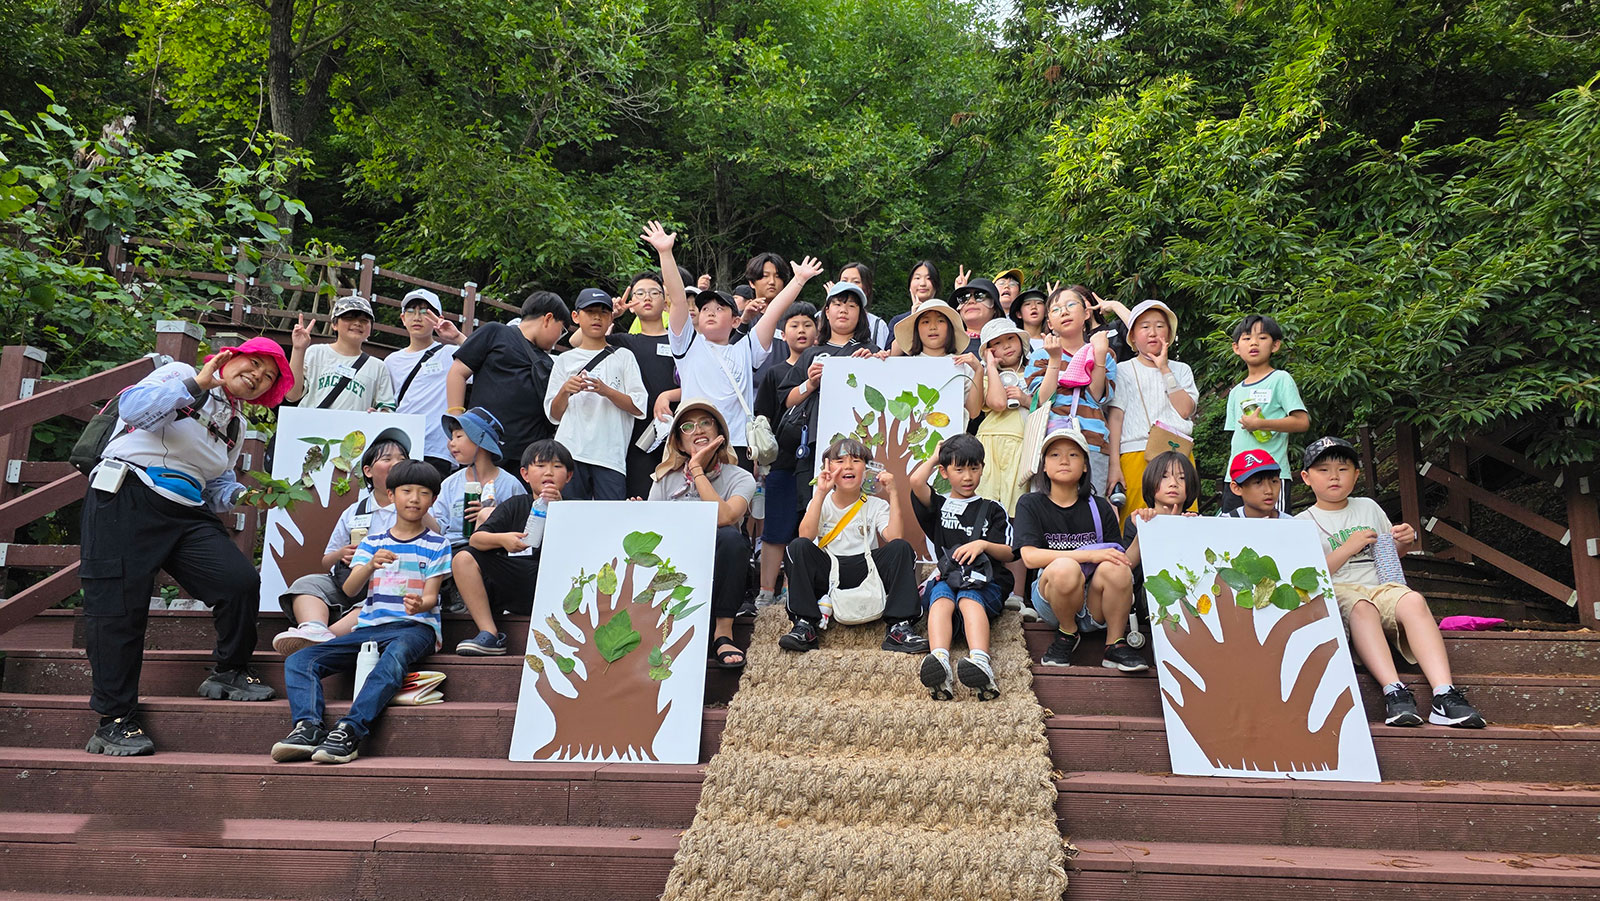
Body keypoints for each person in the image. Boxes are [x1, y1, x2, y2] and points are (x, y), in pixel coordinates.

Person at [81, 337, 293, 756]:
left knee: (238, 582)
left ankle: (229, 671)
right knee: (119, 609)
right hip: (127, 493)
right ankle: (114, 720)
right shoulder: (178, 374)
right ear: (230, 358)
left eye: (268, 378)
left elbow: (215, 482)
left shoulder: (237, 423)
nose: (257, 377)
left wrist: (241, 497)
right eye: (255, 364)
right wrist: (199, 382)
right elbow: (134, 411)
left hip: (187, 510)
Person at [271, 459, 452, 764]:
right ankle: (308, 727)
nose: (414, 499)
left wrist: (419, 604)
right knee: (302, 659)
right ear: (391, 495)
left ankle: (350, 730)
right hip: (369, 627)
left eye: (423, 493)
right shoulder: (373, 542)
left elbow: (432, 597)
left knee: (394, 659)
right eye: (406, 491)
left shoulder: (438, 544)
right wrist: (369, 564)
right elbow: (351, 590)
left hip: (415, 627)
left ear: (433, 501)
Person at [1296, 437, 1485, 728]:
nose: (1334, 476)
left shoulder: (1368, 507)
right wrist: (1347, 547)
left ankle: (1444, 694)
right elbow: (1309, 578)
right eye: (1323, 470)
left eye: (1343, 469)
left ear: (1357, 474)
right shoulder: (1302, 522)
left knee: (1413, 600)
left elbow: (1387, 558)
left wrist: (1404, 543)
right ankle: (1394, 692)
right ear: (1306, 478)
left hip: (1381, 586)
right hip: (1341, 591)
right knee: (1361, 607)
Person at [649, 220, 818, 467]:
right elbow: (676, 298)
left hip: (737, 444)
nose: (710, 312)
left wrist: (799, 280)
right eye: (705, 307)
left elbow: (773, 313)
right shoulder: (687, 345)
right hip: (694, 444)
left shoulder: (746, 349)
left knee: (737, 506)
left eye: (719, 308)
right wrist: (665, 253)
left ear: (736, 320)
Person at [271, 428, 419, 655]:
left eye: (402, 460)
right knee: (307, 584)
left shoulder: (417, 504)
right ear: (368, 471)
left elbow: (435, 533)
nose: (396, 464)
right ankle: (314, 627)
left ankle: (323, 640)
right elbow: (326, 561)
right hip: (350, 581)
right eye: (387, 459)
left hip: (392, 587)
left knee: (380, 601)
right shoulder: (354, 511)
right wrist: (341, 554)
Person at [779, 438, 927, 655]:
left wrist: (894, 493)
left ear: (866, 469)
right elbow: (806, 535)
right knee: (798, 547)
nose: (847, 466)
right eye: (839, 461)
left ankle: (899, 627)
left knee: (901, 548)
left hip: (866, 570)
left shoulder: (876, 504)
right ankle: (804, 625)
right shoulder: (821, 501)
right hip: (829, 570)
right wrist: (820, 492)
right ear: (828, 468)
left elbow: (894, 536)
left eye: (856, 460)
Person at [1015, 427, 1142, 672]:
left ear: (1085, 465)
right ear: (1043, 467)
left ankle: (1114, 644)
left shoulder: (1101, 507)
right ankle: (1067, 633)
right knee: (1065, 567)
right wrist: (1088, 554)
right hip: (1052, 599)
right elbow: (1030, 557)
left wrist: (1141, 533)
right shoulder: (1031, 503)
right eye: (1054, 455)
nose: (1064, 460)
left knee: (1115, 567)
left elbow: (1123, 563)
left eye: (1073, 455)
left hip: (1094, 601)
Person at [648, 400, 757, 669]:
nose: (698, 429)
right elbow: (653, 533)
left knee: (732, 539)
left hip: (720, 566)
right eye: (687, 426)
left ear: (720, 434)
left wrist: (697, 470)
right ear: (679, 443)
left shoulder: (741, 477)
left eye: (705, 422)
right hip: (676, 562)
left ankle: (723, 632)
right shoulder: (663, 480)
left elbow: (725, 518)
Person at [908, 435, 1014, 701]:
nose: (968, 476)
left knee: (968, 599)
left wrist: (983, 544)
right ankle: (939, 661)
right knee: (940, 598)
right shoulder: (939, 506)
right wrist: (935, 457)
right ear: (944, 472)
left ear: (982, 467)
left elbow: (1011, 552)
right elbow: (916, 482)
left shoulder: (993, 509)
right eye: (959, 469)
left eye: (974, 468)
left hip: (985, 583)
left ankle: (980, 661)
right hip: (948, 579)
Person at [453, 440, 574, 655]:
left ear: (569, 476)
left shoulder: (575, 509)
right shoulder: (516, 504)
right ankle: (489, 634)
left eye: (557, 466)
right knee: (463, 558)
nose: (548, 472)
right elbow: (476, 539)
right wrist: (503, 539)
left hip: (560, 586)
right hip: (517, 580)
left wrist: (560, 507)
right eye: (541, 465)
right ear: (525, 474)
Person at [447, 290, 569, 472]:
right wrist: (458, 422)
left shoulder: (548, 363)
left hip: (526, 457)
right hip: (483, 446)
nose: (558, 339)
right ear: (548, 319)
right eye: (561, 330)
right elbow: (457, 372)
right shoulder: (495, 332)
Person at [544, 288, 646, 500]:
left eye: (603, 312)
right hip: (569, 452)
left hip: (610, 456)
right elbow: (553, 415)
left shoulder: (624, 356)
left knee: (610, 522)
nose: (597, 317)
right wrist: (565, 390)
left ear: (611, 317)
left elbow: (639, 406)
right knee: (569, 515)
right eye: (590, 311)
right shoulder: (565, 360)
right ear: (576, 316)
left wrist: (606, 391)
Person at [1105, 300, 1199, 526]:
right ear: (1133, 337)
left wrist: (1165, 368)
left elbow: (1185, 409)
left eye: (1160, 326)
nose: (1153, 332)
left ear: (1169, 333)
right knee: (1135, 524)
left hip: (1179, 456)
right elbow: (1116, 418)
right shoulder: (1123, 370)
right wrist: (1114, 466)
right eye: (1145, 327)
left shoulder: (1181, 369)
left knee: (1184, 524)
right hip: (1135, 454)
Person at [754, 302, 819, 609]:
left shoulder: (826, 366)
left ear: (818, 330)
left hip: (816, 462)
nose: (802, 330)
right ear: (783, 333)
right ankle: (767, 589)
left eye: (808, 324)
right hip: (781, 461)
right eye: (794, 325)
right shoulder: (774, 373)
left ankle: (794, 588)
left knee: (805, 526)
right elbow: (762, 418)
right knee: (775, 526)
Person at [1027, 285, 1117, 496]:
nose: (1064, 312)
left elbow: (1097, 397)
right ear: (1049, 323)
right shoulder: (1040, 354)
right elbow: (1043, 400)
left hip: (1092, 442)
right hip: (1051, 441)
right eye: (1056, 309)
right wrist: (1055, 359)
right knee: (1049, 511)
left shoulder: (1105, 352)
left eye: (1070, 305)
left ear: (1087, 313)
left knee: (1090, 506)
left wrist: (1100, 355)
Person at [1222, 313, 1309, 513]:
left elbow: (1302, 422)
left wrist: (1261, 424)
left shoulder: (1280, 379)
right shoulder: (1235, 392)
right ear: (1236, 348)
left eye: (1262, 338)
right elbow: (1236, 437)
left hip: (1270, 477)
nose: (1254, 343)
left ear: (1275, 345)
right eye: (1246, 338)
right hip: (1236, 478)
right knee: (1232, 536)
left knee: (1272, 535)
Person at [609, 273, 681, 499]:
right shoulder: (625, 341)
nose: (647, 298)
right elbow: (578, 342)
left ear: (665, 302)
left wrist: (667, 396)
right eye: (640, 294)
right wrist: (611, 316)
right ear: (631, 306)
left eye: (654, 293)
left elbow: (700, 383)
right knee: (639, 497)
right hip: (637, 434)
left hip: (677, 430)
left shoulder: (679, 341)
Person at [384, 289, 465, 477]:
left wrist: (456, 336)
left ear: (438, 318)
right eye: (411, 311)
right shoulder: (391, 361)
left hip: (438, 448)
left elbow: (484, 360)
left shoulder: (450, 354)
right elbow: (388, 403)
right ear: (403, 318)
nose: (417, 317)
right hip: (401, 447)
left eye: (425, 311)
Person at [431, 407, 527, 549]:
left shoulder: (510, 484)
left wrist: (493, 515)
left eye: (459, 436)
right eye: (452, 438)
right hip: (452, 549)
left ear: (479, 438)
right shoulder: (449, 484)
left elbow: (522, 524)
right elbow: (439, 526)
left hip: (495, 551)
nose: (452, 443)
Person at [286, 296, 396, 411]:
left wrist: (378, 415)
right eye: (349, 318)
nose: (357, 323)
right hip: (313, 427)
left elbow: (387, 407)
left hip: (354, 428)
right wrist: (298, 349)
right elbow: (291, 395)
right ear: (334, 324)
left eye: (364, 320)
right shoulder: (315, 353)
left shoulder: (378, 367)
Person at [973, 318, 1034, 517]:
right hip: (990, 443)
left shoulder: (1034, 373)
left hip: (1022, 444)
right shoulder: (987, 377)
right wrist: (990, 366)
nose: (1006, 346)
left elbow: (1045, 406)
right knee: (986, 503)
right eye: (996, 343)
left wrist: (1025, 399)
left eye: (1010, 338)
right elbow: (998, 403)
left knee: (1017, 506)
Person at [1221, 450, 1295, 519]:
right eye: (1258, 482)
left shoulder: (1293, 526)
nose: (1269, 490)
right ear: (1236, 488)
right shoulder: (1223, 525)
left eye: (1274, 481)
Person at [838, 262, 892, 350]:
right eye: (844, 281)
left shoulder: (877, 325)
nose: (848, 285)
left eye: (856, 282)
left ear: (867, 289)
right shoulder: (824, 317)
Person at [886, 259, 942, 338]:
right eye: (917, 278)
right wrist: (912, 319)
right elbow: (891, 350)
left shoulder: (945, 318)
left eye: (929, 278)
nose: (922, 283)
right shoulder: (898, 322)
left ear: (936, 285)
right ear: (910, 285)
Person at [1009, 287, 1048, 352]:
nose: (1034, 307)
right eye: (1027, 304)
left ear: (1046, 312)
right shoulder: (1015, 343)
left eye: (1039, 303)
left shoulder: (1055, 340)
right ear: (1019, 314)